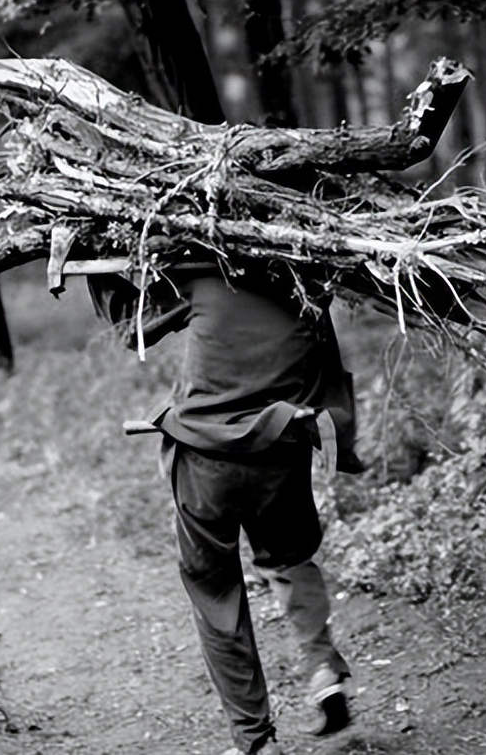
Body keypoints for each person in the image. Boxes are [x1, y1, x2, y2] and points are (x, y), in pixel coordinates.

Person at [87, 254, 362, 755]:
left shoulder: (203, 277)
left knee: (216, 594)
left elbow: (133, 327)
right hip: (281, 450)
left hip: (206, 461)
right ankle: (323, 668)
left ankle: (255, 742)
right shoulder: (308, 281)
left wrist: (94, 269)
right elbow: (324, 366)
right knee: (290, 558)